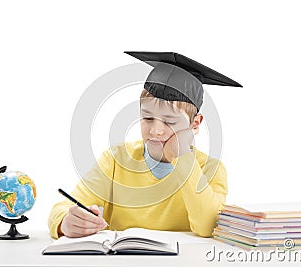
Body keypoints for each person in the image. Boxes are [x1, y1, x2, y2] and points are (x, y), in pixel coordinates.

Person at [48, 51, 242, 239]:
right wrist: (65, 222)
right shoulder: (116, 160)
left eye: (170, 122)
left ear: (195, 124)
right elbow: (61, 208)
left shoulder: (211, 169)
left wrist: (183, 156)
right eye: (147, 118)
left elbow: (208, 225)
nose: (155, 130)